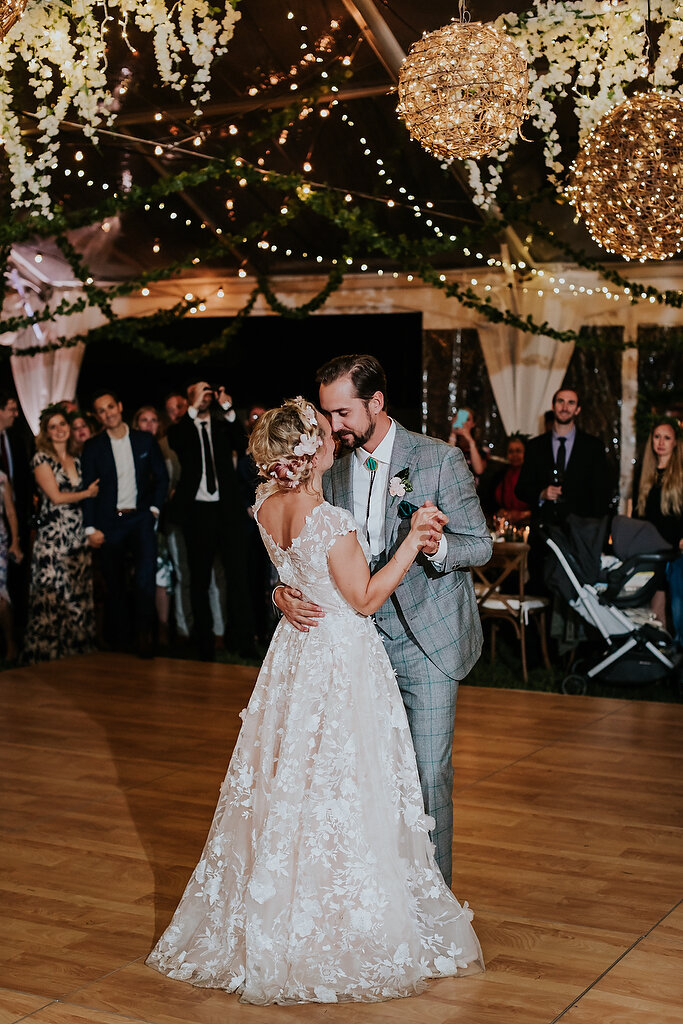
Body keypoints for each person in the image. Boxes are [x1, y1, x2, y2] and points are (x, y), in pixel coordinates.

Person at [146, 397, 484, 1003]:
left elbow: (291, 564)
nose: (334, 436)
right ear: (311, 452)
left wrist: (283, 589)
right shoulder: (328, 518)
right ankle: (342, 923)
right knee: (348, 785)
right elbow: (365, 598)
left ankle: (288, 908)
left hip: (295, 659)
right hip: (344, 660)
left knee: (294, 786)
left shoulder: (262, 506)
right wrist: (412, 540)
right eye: (324, 432)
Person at [275, 355, 492, 887]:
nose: (332, 426)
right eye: (327, 414)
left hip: (428, 642)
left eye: (342, 412)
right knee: (366, 775)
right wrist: (280, 590)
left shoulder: (440, 460)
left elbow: (480, 545)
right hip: (358, 646)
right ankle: (382, 895)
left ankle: (433, 899)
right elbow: (305, 547)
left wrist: (437, 545)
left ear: (376, 403)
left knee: (428, 773)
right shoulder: (330, 465)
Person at [167, 381, 255, 660]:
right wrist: (193, 405)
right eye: (200, 392)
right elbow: (177, 440)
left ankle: (241, 640)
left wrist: (226, 406)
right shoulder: (183, 430)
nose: (206, 396)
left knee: (237, 577)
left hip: (227, 511)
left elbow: (243, 444)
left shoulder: (221, 426)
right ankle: (203, 643)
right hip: (197, 512)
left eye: (208, 392)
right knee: (199, 579)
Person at [81, 391, 169, 656]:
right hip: (109, 523)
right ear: (98, 416)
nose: (108, 413)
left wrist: (153, 510)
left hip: (140, 519)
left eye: (110, 407)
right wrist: (90, 527)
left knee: (144, 580)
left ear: (119, 407)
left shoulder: (144, 440)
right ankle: (120, 639)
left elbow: (162, 478)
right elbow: (88, 489)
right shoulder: (93, 446)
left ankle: (145, 639)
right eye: (101, 410)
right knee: (114, 582)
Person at [22, 408, 98, 663]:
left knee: (76, 592)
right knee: (54, 593)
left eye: (62, 424)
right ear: (46, 432)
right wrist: (87, 494)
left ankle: (76, 650)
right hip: (54, 538)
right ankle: (49, 651)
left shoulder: (77, 459)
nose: (59, 430)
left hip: (76, 535)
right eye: (52, 426)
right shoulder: (42, 459)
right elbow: (55, 497)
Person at [633, 418, 683, 645]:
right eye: (657, 436)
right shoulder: (645, 475)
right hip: (652, 553)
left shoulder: (680, 475)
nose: (661, 442)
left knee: (677, 608)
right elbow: (638, 517)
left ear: (675, 443)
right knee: (656, 610)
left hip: (676, 552)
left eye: (667, 437)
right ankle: (660, 655)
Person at [133, 405, 177, 648]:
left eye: (153, 420)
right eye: (144, 420)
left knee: (163, 572)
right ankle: (144, 628)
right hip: (135, 519)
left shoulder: (166, 448)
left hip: (161, 518)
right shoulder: (131, 448)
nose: (149, 424)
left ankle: (162, 627)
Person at [0, 467, 23, 660]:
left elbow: (10, 512)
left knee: (1, 596)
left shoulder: (1, 478)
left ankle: (10, 644)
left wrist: (15, 542)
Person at [492, 434, 531, 527]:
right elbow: (491, 503)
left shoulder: (533, 475)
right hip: (505, 526)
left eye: (518, 451)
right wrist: (500, 511)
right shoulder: (499, 475)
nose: (514, 455)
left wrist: (524, 515)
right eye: (511, 451)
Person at [447, 407, 487, 483]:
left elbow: (479, 470)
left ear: (473, 424)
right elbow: (447, 463)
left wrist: (471, 441)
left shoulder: (479, 448)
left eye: (467, 419)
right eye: (460, 418)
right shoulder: (446, 443)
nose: (463, 422)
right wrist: (453, 433)